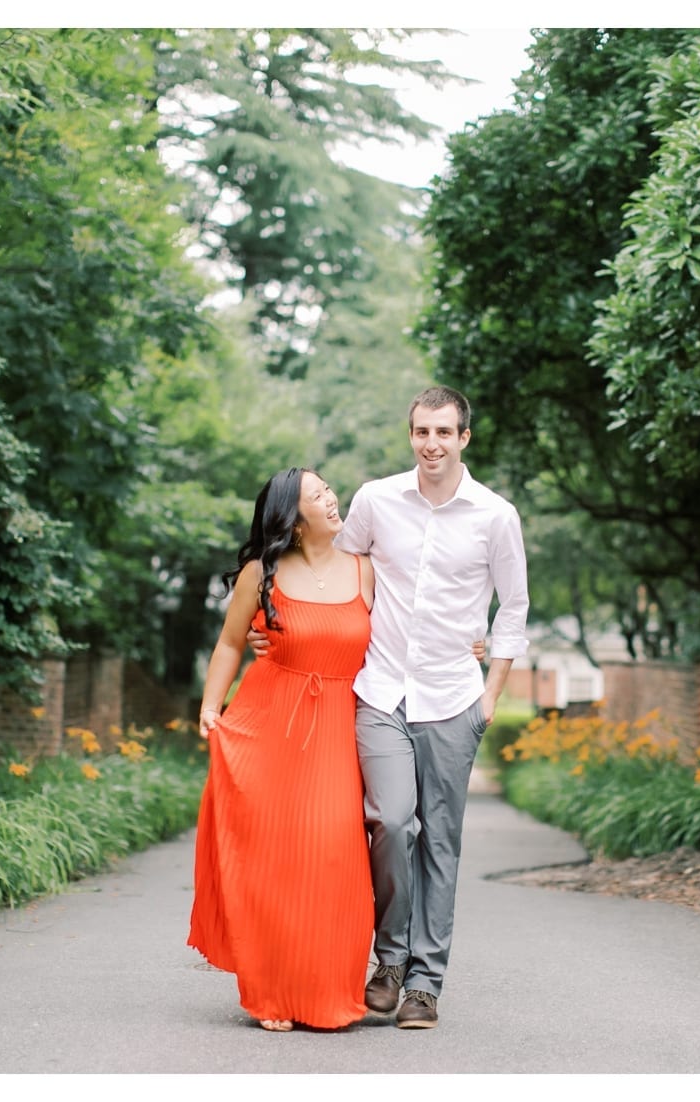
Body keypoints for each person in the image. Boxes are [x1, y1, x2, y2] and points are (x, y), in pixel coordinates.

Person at [249, 385, 529, 1029]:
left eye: (443, 433)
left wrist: (491, 696)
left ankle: (425, 984)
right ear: (411, 436)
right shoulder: (377, 500)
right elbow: (326, 573)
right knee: (391, 822)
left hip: (454, 697)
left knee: (441, 843)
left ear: (464, 438)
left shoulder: (495, 516)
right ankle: (391, 957)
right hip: (378, 691)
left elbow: (513, 608)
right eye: (420, 432)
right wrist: (275, 625)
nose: (431, 444)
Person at [187, 467, 376, 1032]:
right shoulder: (261, 573)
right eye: (317, 494)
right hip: (271, 723)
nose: (331, 496)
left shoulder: (368, 572)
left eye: (327, 488)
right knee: (275, 861)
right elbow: (228, 643)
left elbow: (411, 633)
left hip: (340, 728)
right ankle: (271, 992)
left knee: (336, 856)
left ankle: (329, 992)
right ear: (294, 522)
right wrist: (211, 707)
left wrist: (473, 639)